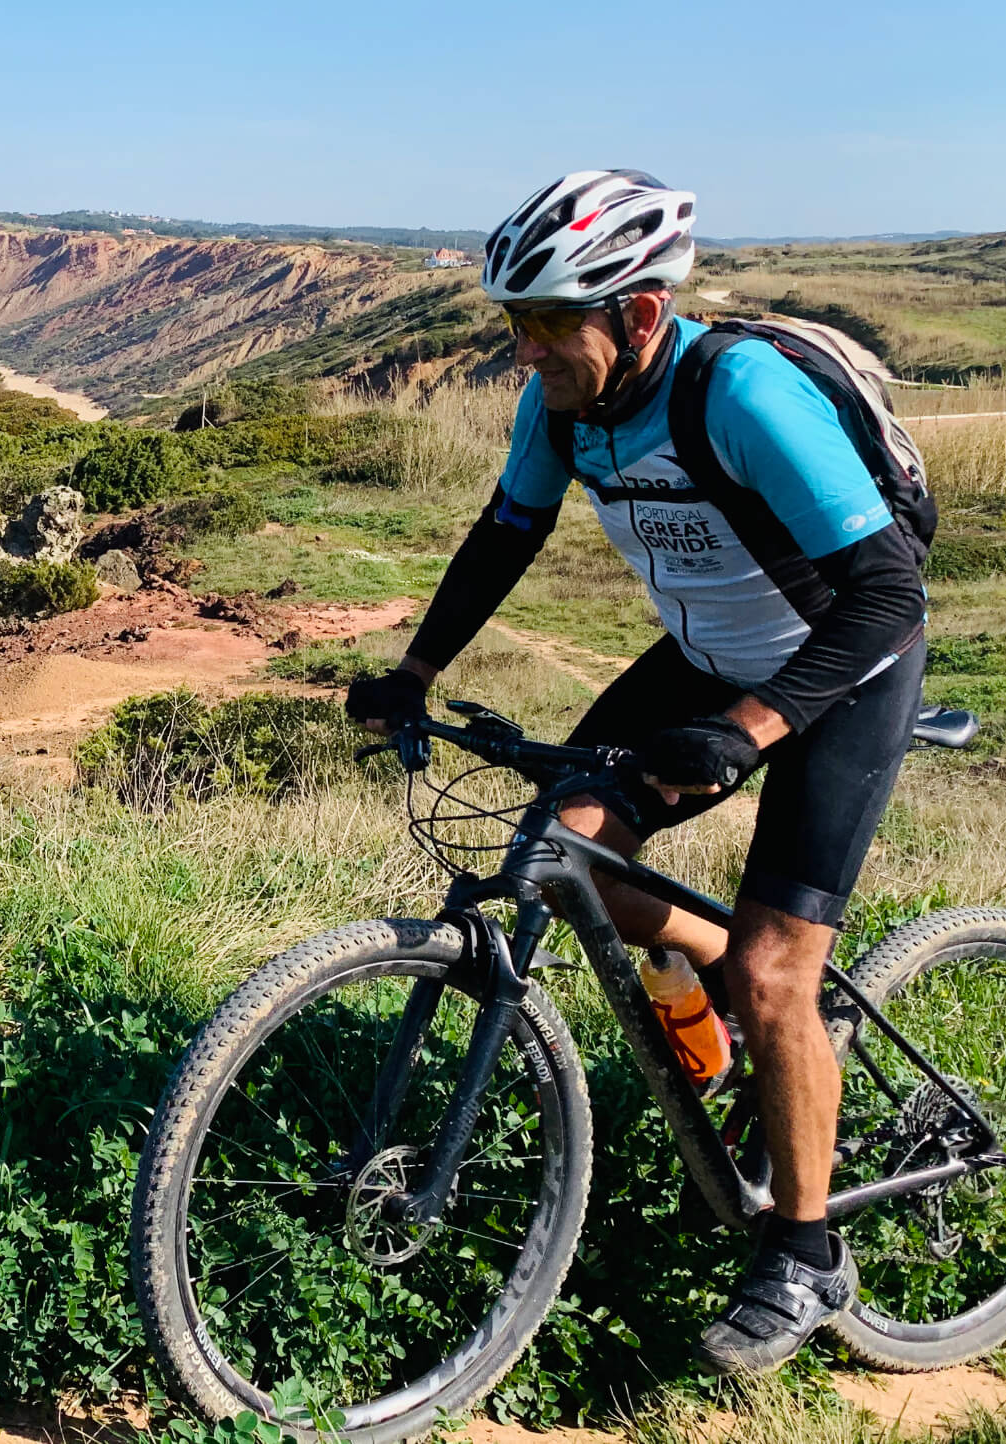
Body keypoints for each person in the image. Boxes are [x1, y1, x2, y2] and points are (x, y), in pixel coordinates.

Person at [344, 169, 930, 1374]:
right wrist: (412, 669)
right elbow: (508, 532)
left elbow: (886, 592)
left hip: (839, 671)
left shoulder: (742, 393)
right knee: (563, 851)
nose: (527, 348)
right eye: (515, 322)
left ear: (642, 314)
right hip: (705, 659)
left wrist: (750, 730)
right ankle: (730, 1001)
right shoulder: (559, 407)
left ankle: (806, 1252)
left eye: (551, 322)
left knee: (778, 966)